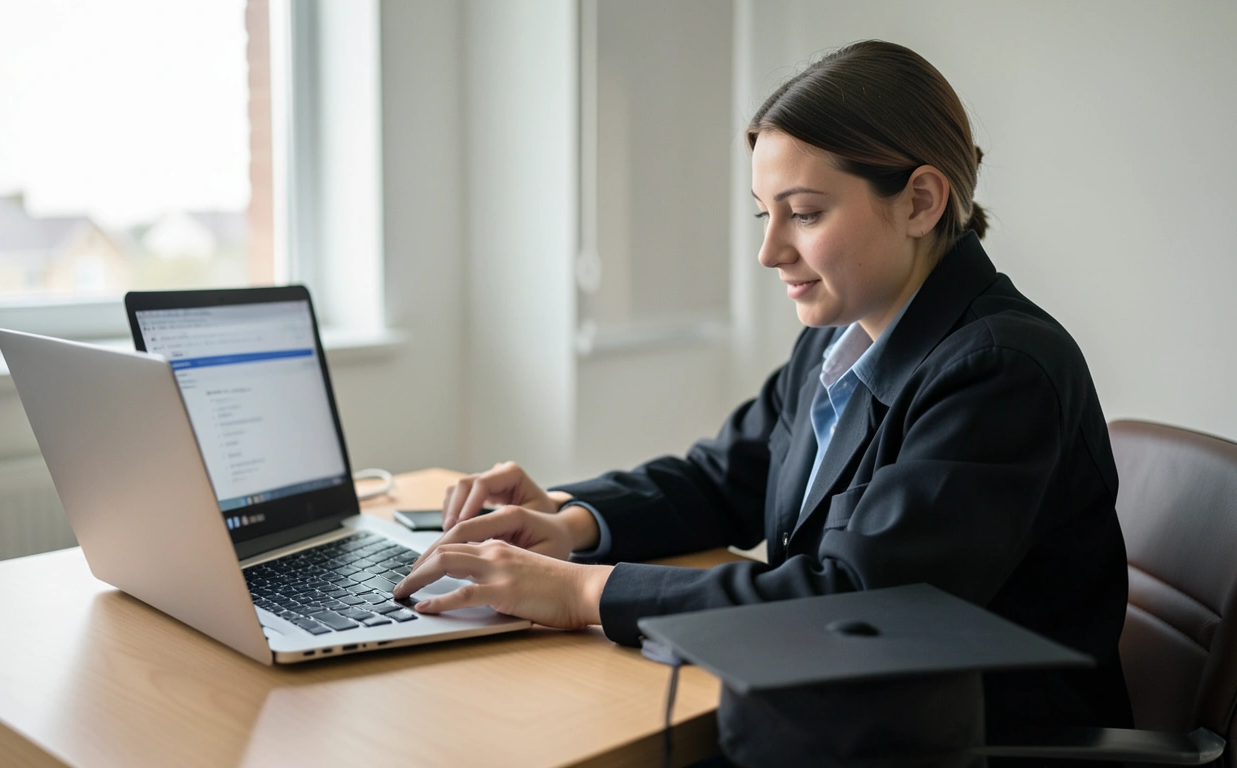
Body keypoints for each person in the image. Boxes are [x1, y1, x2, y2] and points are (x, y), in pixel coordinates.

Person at [392, 39, 1133, 737]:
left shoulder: (1000, 370)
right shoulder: (838, 335)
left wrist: (582, 592)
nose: (769, 250)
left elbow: (856, 601)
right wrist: (569, 521)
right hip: (843, 717)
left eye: (804, 214)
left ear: (920, 202)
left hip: (967, 742)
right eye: (765, 213)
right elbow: (724, 478)